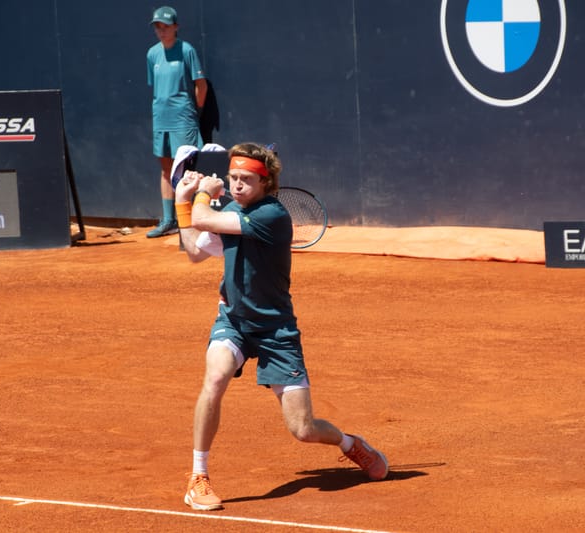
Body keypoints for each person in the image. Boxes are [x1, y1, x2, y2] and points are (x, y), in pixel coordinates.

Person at [173, 142, 388, 511]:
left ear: (266, 183)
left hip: (276, 332)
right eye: (233, 178)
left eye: (246, 180)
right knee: (216, 378)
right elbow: (194, 249)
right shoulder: (232, 211)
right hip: (234, 321)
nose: (237, 185)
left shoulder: (271, 215)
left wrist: (203, 194)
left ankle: (351, 444)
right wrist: (181, 201)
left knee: (303, 430)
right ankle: (198, 476)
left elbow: (204, 220)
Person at [146, 6, 208, 238]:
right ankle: (169, 221)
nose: (161, 31)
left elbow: (201, 85)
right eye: (157, 27)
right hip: (161, 119)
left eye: (166, 27)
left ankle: (195, 221)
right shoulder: (152, 54)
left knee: (191, 169)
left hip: (184, 117)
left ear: (176, 27)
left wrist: (196, 112)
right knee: (166, 170)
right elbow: (156, 88)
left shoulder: (187, 50)